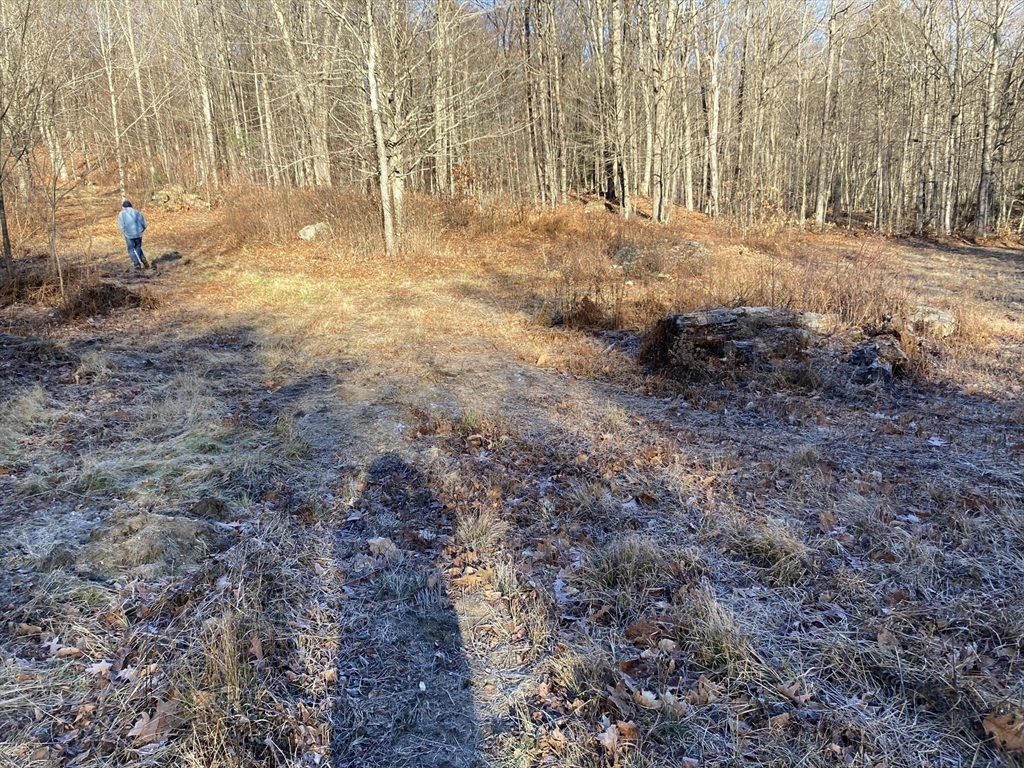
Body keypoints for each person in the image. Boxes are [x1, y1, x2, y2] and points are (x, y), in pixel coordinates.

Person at [117, 200, 149, 270]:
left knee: (131, 249)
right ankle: (143, 259)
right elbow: (145, 224)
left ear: (123, 207)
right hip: (138, 234)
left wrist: (123, 234)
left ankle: (137, 264)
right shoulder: (137, 212)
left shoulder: (122, 214)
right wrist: (141, 231)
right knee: (138, 247)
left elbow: (121, 226)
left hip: (128, 235)